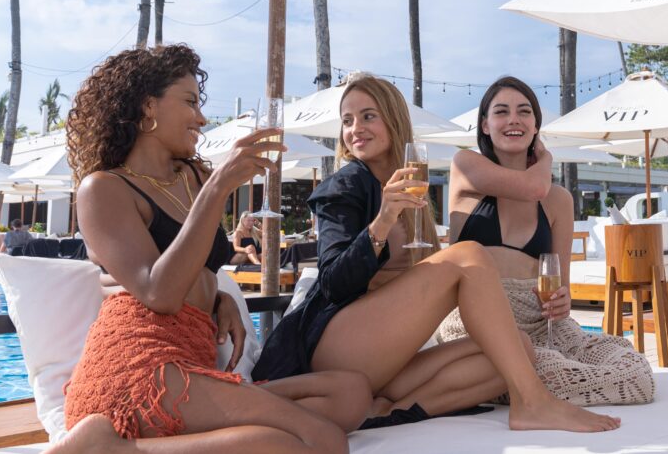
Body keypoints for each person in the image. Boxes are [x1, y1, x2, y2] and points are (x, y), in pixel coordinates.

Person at [252, 74, 619, 433]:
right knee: (468, 254)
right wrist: (380, 223)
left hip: (388, 355)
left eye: (368, 116)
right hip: (336, 345)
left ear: (393, 120)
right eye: (347, 120)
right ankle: (534, 402)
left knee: (519, 349)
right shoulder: (345, 186)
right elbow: (332, 284)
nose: (355, 129)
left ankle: (387, 411)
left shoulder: (410, 188)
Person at [51, 45, 371, 454]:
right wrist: (220, 187)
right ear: (149, 106)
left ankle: (138, 442)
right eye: (189, 102)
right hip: (137, 362)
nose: (201, 118)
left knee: (350, 392)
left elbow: (193, 265)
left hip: (193, 356)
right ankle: (106, 447)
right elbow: (157, 293)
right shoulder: (103, 189)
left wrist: (217, 296)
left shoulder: (193, 176)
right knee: (315, 441)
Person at [444, 76, 654, 406]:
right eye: (501, 111)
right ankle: (516, 383)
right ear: (485, 125)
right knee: (546, 373)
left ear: (535, 125)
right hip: (476, 324)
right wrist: (545, 159)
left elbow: (562, 290)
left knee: (634, 372)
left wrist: (561, 301)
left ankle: (514, 384)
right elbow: (533, 188)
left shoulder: (558, 200)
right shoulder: (466, 168)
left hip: (542, 327)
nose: (514, 119)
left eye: (524, 111)